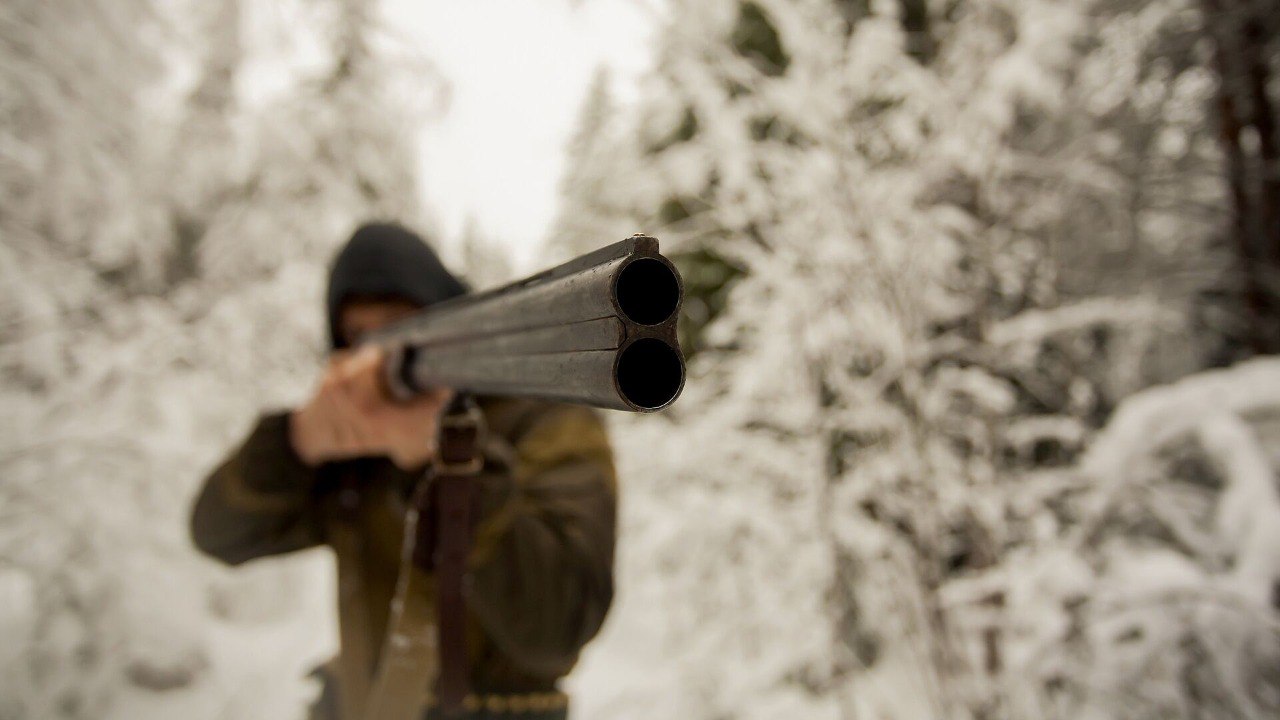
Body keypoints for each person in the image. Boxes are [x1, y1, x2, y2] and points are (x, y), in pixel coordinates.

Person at [190, 222, 617, 720]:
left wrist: (445, 458)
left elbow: (559, 624)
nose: (377, 355)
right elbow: (217, 533)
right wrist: (298, 440)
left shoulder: (546, 416)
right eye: (357, 335)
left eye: (399, 326)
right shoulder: (354, 451)